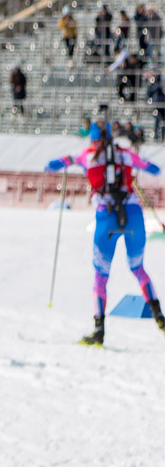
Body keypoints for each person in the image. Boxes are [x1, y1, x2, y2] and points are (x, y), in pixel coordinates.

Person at [46, 127, 165, 344]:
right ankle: (159, 317)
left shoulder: (85, 155)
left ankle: (98, 331)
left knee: (101, 277)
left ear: (92, 139)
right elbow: (154, 169)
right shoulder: (126, 153)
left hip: (106, 218)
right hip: (134, 216)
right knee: (138, 268)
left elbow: (56, 164)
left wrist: (57, 165)